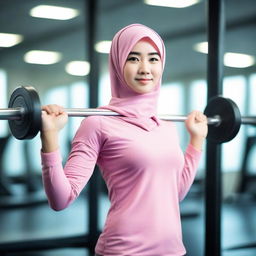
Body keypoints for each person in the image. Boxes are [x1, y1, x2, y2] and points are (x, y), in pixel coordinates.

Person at [40, 24, 208, 256]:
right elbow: (61, 199)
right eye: (133, 58)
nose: (145, 68)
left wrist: (196, 141)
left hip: (173, 250)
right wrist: (50, 137)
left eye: (153, 59)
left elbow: (174, 193)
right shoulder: (97, 123)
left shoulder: (167, 126)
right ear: (118, 63)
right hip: (124, 250)